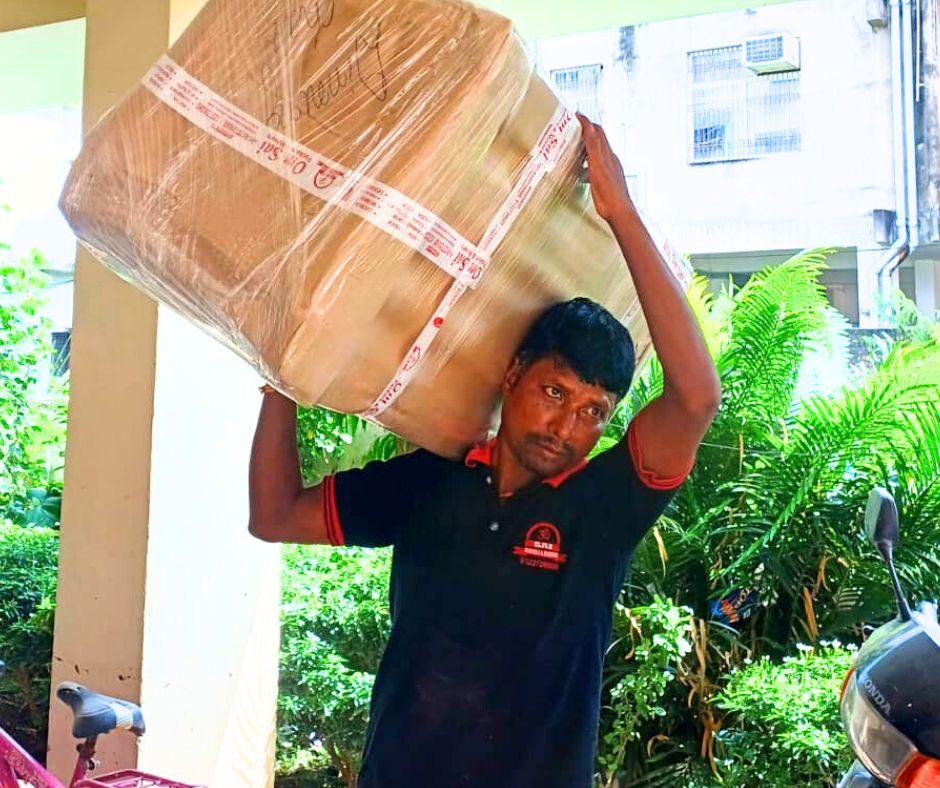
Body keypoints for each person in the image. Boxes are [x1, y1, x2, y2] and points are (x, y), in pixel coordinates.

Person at [248, 114, 721, 788]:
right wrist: (282, 382)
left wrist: (619, 212)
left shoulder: (605, 509)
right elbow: (275, 516)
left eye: (593, 411)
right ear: (512, 376)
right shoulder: (430, 482)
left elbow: (697, 398)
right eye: (553, 391)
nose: (566, 425)